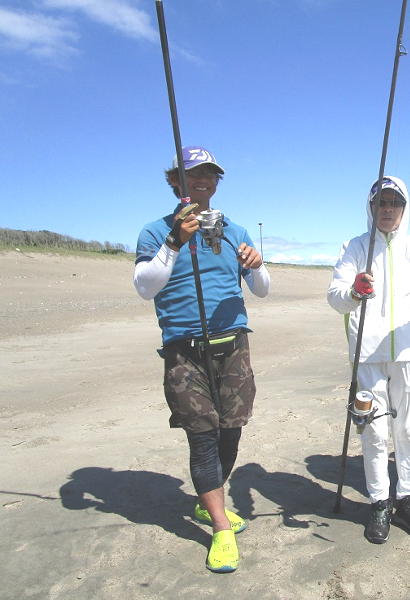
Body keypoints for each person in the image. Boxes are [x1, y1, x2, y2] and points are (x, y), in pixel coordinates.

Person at [133, 146, 270, 572]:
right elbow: (144, 286)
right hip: (184, 350)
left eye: (210, 174)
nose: (203, 180)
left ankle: (204, 499)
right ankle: (220, 529)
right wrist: (176, 240)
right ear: (177, 181)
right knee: (203, 436)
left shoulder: (236, 230)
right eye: (193, 174)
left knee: (230, 432)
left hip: (232, 347)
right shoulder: (156, 231)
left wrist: (258, 264)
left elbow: (261, 289)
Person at [327, 176, 410, 544]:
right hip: (366, 356)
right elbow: (335, 298)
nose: (387, 209)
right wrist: (354, 291)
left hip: (409, 355)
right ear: (371, 207)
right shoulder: (354, 247)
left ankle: (409, 499)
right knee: (375, 432)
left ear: (404, 208)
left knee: (409, 431)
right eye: (381, 202)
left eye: (394, 203)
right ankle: (379, 502)